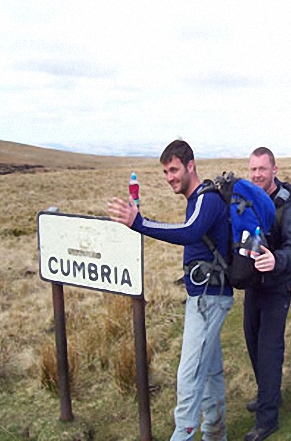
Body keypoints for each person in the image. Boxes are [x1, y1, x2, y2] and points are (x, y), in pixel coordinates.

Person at [108, 140, 234, 441]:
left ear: (191, 165)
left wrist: (140, 223)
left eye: (174, 169)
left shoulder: (207, 199)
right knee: (211, 372)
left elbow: (189, 231)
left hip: (209, 299)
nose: (170, 177)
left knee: (189, 376)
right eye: (165, 171)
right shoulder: (196, 200)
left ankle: (183, 434)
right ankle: (215, 433)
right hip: (204, 296)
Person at [242, 147, 291, 441]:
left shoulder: (287, 205)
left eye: (262, 170)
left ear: (274, 170)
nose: (257, 175)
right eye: (253, 170)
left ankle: (268, 419)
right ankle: (269, 393)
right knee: (252, 340)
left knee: (269, 349)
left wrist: (276, 260)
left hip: (279, 286)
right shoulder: (249, 200)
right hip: (254, 285)